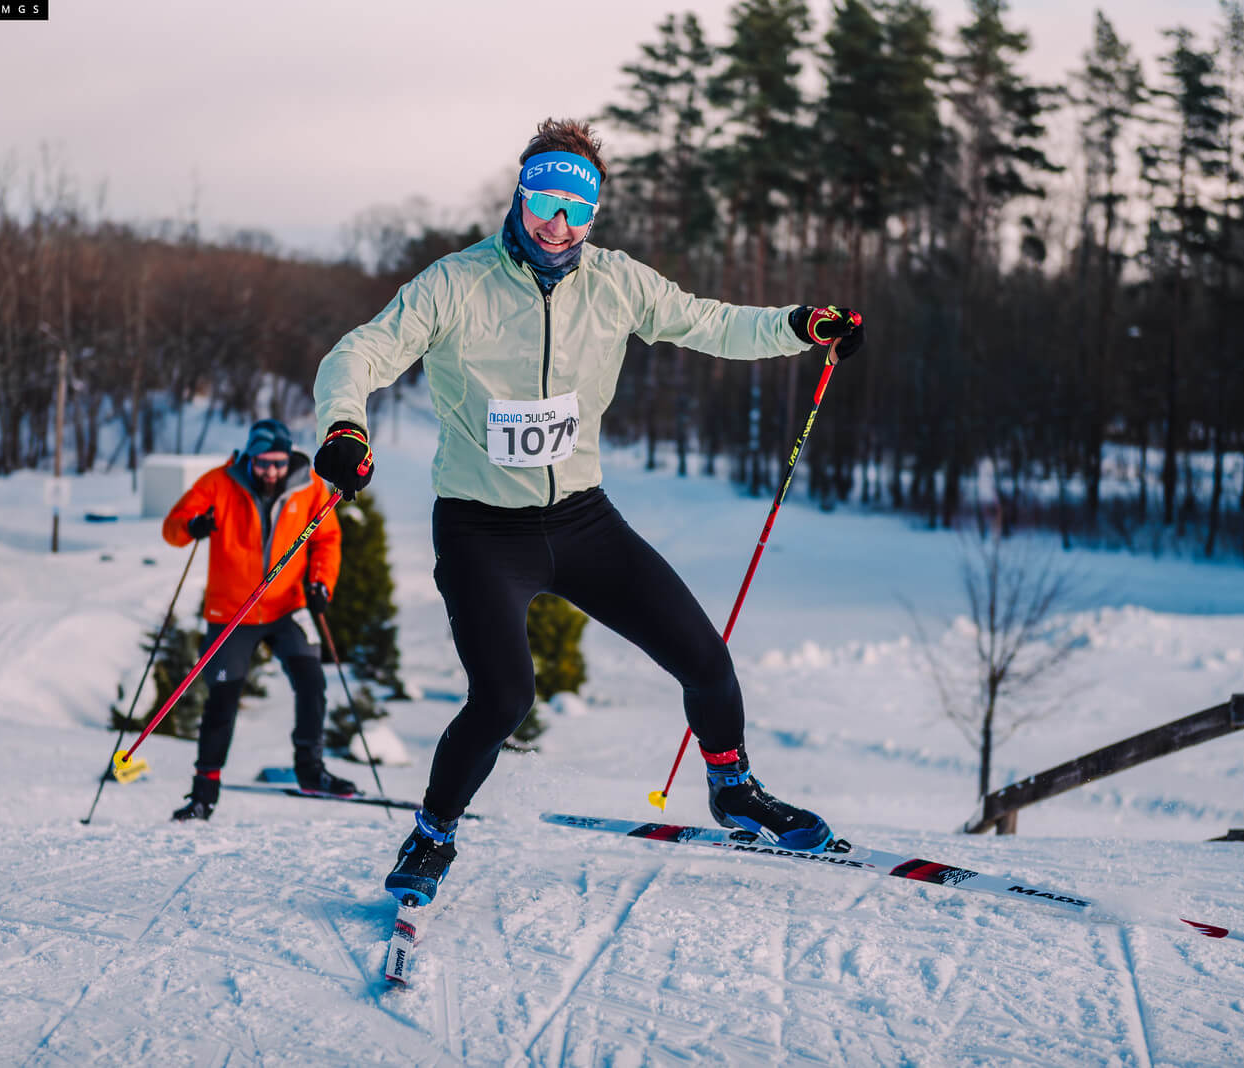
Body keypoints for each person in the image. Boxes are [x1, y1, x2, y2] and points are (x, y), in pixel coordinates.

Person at [311, 118, 866, 903]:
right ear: (520, 195)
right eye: (544, 203)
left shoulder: (615, 282)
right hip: (481, 529)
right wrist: (344, 425)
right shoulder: (454, 284)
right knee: (504, 698)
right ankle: (432, 834)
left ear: (594, 214)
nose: (557, 225)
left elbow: (709, 322)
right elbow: (360, 353)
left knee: (706, 661)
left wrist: (796, 326)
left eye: (577, 211)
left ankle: (734, 788)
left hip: (581, 520)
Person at [162, 418, 352, 820]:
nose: (271, 471)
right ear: (250, 457)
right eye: (263, 462)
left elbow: (327, 539)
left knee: (312, 683)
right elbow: (172, 529)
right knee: (222, 700)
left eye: (278, 463)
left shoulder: (308, 485)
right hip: (231, 612)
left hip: (287, 606)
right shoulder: (219, 483)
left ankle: (310, 770)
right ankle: (204, 791)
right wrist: (193, 526)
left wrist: (321, 583)